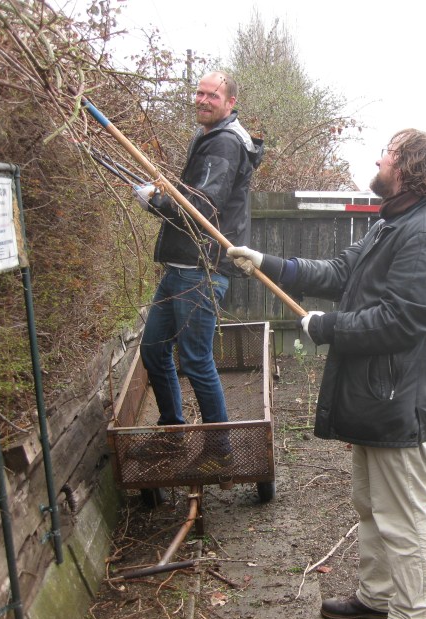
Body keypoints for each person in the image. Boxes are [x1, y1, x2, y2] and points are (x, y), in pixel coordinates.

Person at [226, 129, 426, 619]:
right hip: (377, 393)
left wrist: (327, 327)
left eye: (387, 154)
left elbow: (401, 322)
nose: (378, 160)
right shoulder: (393, 223)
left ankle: (415, 615)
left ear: (408, 168)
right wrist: (266, 262)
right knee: (371, 504)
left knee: (401, 513)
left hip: (400, 397)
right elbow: (340, 272)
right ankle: (377, 596)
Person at [133, 71, 264, 482]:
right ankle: (173, 432)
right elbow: (195, 196)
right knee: (154, 349)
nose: (203, 100)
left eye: (213, 96)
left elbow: (202, 207)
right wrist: (164, 193)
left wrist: (158, 201)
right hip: (182, 265)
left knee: (195, 358)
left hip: (202, 270)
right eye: (200, 93)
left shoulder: (224, 143)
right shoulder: (210, 136)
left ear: (230, 102)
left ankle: (220, 450)